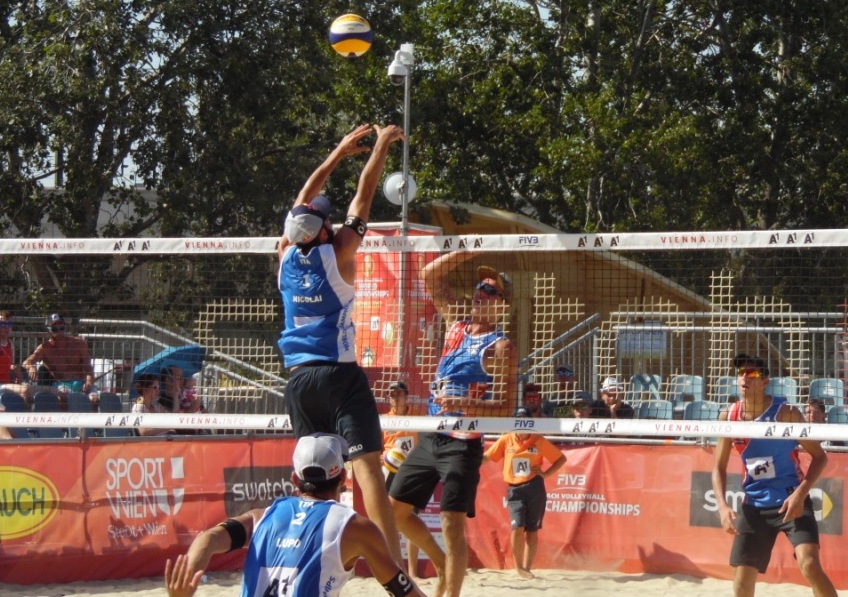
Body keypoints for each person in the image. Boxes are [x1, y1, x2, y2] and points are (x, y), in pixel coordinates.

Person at [277, 123, 406, 564]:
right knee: (367, 469)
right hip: (338, 374)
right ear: (323, 231)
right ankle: (393, 568)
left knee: (311, 477)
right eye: (325, 219)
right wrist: (380, 146)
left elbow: (302, 201)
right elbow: (364, 195)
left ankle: (311, 555)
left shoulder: (284, 255)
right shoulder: (340, 252)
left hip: (298, 379)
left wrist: (336, 153)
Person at [389, 256, 518, 597]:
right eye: (479, 287)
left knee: (451, 524)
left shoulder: (501, 347)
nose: (480, 293)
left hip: (463, 443)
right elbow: (428, 275)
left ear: (503, 305)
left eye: (490, 291)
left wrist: (464, 405)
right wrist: (467, 249)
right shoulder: (456, 325)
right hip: (433, 435)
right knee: (395, 512)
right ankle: (440, 560)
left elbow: (507, 410)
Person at [164, 433, 426, 597]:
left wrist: (186, 584)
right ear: (343, 478)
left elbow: (208, 539)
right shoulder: (355, 527)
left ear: (294, 479)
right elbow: (403, 592)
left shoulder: (261, 517)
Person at [711, 354, 837, 597]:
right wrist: (722, 506)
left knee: (810, 564)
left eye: (752, 373)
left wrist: (800, 494)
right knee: (741, 584)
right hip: (754, 506)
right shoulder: (729, 416)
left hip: (792, 501)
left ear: (765, 381)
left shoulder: (786, 413)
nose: (745, 378)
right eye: (741, 373)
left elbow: (820, 457)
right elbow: (718, 467)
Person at [483, 406, 567, 579]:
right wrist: (467, 464)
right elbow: (487, 457)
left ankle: (527, 568)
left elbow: (561, 459)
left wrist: (546, 474)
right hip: (515, 489)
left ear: (530, 422)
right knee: (517, 527)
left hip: (534, 486)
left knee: (532, 530)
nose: (521, 423)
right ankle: (519, 567)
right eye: (518, 420)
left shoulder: (538, 440)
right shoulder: (506, 439)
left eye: (525, 420)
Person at [382, 380, 421, 580]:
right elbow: (377, 450)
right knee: (388, 521)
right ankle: (394, 568)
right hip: (390, 471)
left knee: (411, 519)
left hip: (412, 472)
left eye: (398, 393)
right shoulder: (383, 420)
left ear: (407, 396)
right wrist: (385, 457)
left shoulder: (418, 418)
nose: (394, 397)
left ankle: (412, 571)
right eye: (391, 394)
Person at [23, 313, 95, 395]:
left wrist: (89, 383)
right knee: (63, 393)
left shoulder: (79, 343)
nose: (59, 332)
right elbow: (26, 362)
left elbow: (88, 367)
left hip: (81, 383)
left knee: (94, 398)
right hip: (61, 385)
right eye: (55, 329)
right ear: (48, 330)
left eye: (61, 328)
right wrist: (31, 367)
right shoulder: (44, 348)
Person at [0, 310, 30, 400]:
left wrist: (16, 370)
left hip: (6, 384)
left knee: (31, 390)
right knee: (25, 390)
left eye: (9, 324)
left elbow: (8, 365)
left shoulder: (10, 345)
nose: (7, 328)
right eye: (3, 324)